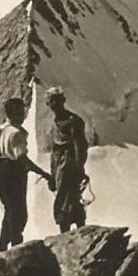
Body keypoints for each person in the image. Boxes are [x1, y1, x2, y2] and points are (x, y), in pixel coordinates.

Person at [0, 96, 50, 252]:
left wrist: (4, 153)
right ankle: (16, 247)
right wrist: (44, 174)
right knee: (19, 213)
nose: (23, 115)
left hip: (1, 172)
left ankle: (2, 247)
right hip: (14, 173)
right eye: (20, 112)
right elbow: (22, 158)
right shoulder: (16, 134)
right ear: (13, 113)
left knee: (9, 209)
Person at [45, 86, 90, 233]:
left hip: (70, 165)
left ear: (63, 101)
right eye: (51, 101)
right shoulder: (54, 124)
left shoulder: (73, 121)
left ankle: (78, 232)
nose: (54, 104)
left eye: (57, 101)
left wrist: (79, 167)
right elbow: (53, 151)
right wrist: (52, 174)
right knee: (64, 199)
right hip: (58, 167)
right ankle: (66, 235)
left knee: (69, 200)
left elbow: (80, 145)